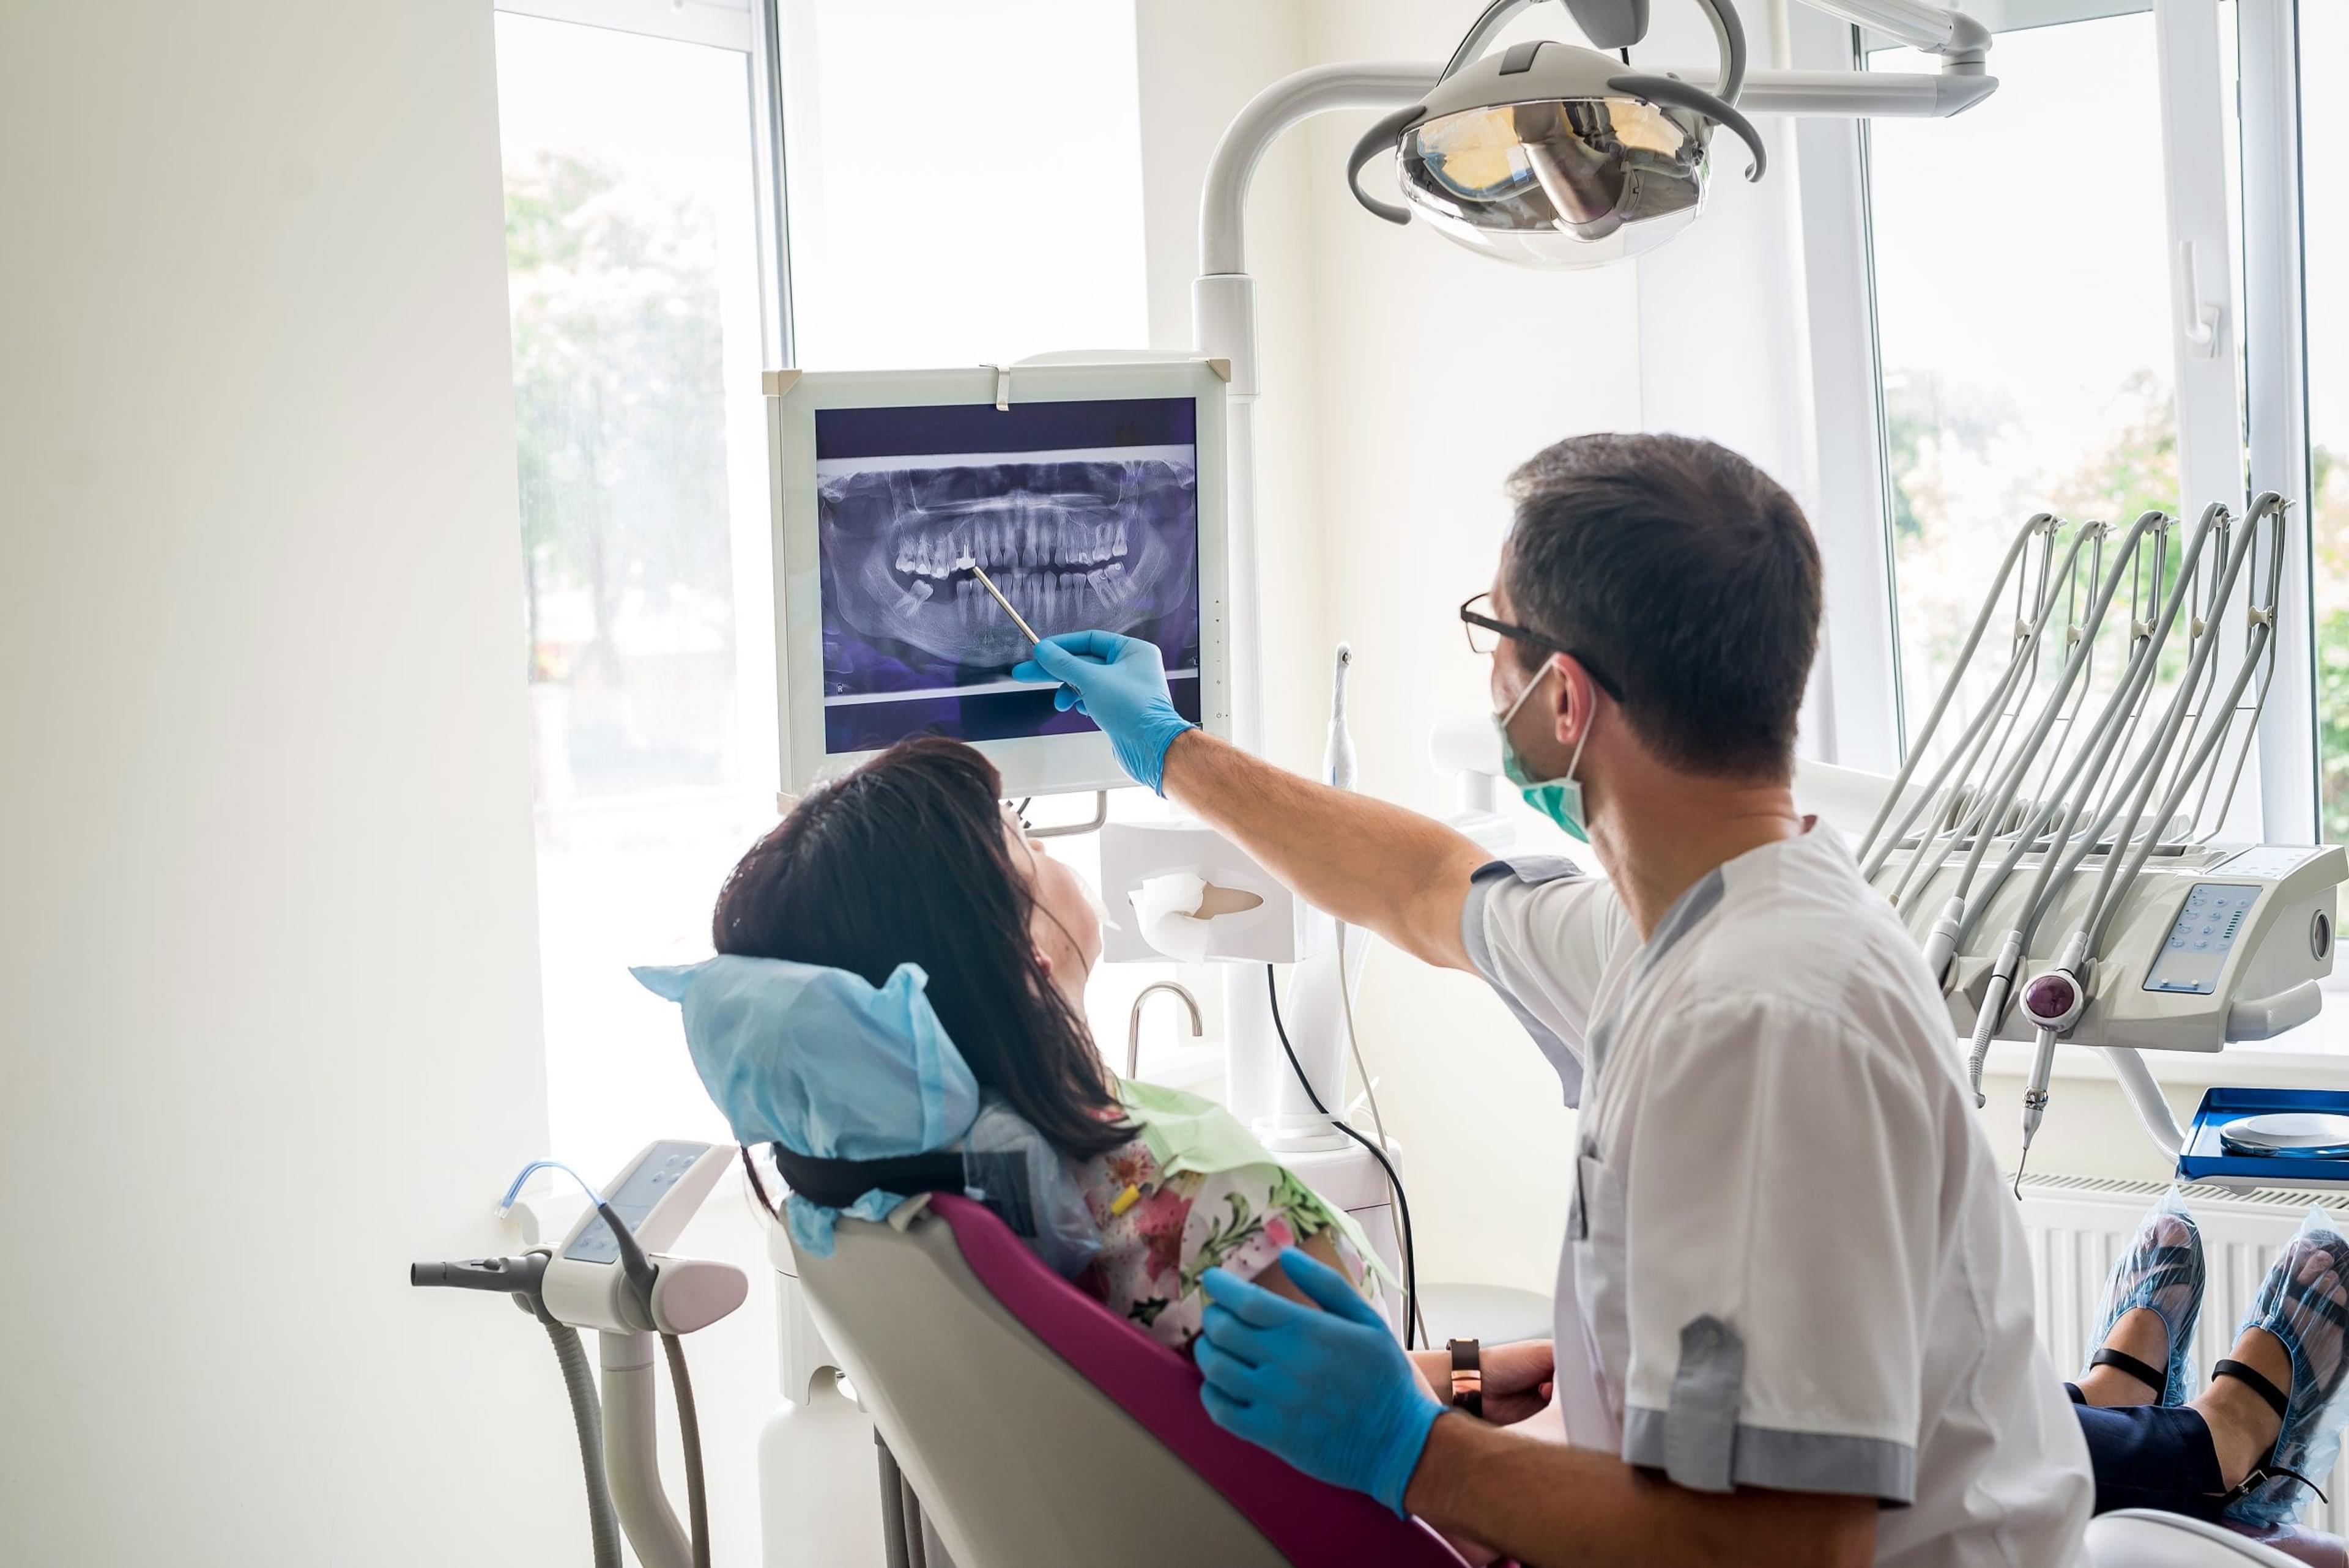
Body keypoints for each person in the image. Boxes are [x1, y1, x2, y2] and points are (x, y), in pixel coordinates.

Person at [1013, 432, 2092, 1566]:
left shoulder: (1763, 1023)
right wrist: (1171, 750)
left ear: (1563, 696)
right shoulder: (1683, 922)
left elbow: (1783, 1544)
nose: (1488, 675)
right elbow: (1423, 885)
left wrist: (1409, 1443)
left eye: (1495, 634)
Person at [700, 734, 1399, 1352]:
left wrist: (1469, 1374)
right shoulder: (1211, 1216)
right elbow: (1393, 1445)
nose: (1051, 850)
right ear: (1029, 950)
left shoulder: (901, 1206)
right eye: (1025, 839)